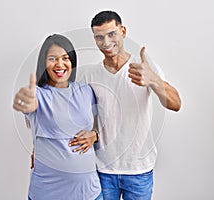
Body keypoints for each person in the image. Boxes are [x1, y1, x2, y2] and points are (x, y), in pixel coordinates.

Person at [69, 10, 181, 200]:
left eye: (112, 34)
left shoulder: (144, 67)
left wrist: (153, 80)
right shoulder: (89, 76)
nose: (106, 43)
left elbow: (176, 104)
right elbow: (65, 109)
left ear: (123, 31)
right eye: (99, 37)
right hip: (102, 169)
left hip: (139, 171)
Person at [13, 34, 103, 200]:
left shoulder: (86, 90)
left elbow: (102, 125)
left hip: (90, 192)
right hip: (48, 193)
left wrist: (95, 135)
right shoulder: (38, 94)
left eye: (65, 58)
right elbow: (28, 105)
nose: (60, 64)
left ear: (72, 62)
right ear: (44, 63)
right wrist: (25, 101)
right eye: (52, 58)